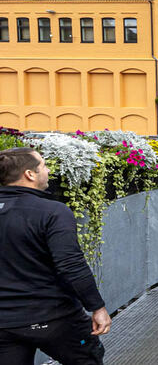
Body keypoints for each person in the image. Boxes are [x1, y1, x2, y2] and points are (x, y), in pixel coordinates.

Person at [0, 147, 111, 364]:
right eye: (43, 165)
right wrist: (97, 307)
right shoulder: (52, 212)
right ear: (30, 174)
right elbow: (70, 264)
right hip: (55, 318)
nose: (48, 170)